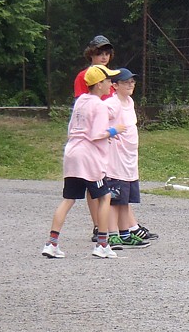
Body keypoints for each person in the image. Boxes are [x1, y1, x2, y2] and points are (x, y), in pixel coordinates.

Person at [73, 35, 158, 243]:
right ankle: (100, 225)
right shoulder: (86, 77)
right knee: (98, 183)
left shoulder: (112, 77)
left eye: (106, 53)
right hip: (97, 135)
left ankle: (128, 226)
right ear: (90, 54)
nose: (103, 56)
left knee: (118, 186)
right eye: (99, 53)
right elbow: (84, 108)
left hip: (110, 137)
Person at [42, 66, 126, 259]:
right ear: (99, 84)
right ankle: (102, 244)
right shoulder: (99, 105)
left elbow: (74, 129)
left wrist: (104, 135)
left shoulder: (80, 101)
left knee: (69, 198)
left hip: (72, 153)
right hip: (89, 158)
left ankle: (52, 243)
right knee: (104, 196)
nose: (111, 85)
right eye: (107, 81)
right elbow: (96, 134)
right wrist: (114, 130)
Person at [104, 69, 150, 250]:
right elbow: (98, 123)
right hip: (115, 160)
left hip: (129, 159)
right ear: (115, 86)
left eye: (132, 81)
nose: (131, 84)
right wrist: (110, 133)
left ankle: (125, 233)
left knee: (125, 199)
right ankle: (112, 234)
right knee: (114, 199)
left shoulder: (129, 102)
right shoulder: (110, 104)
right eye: (126, 82)